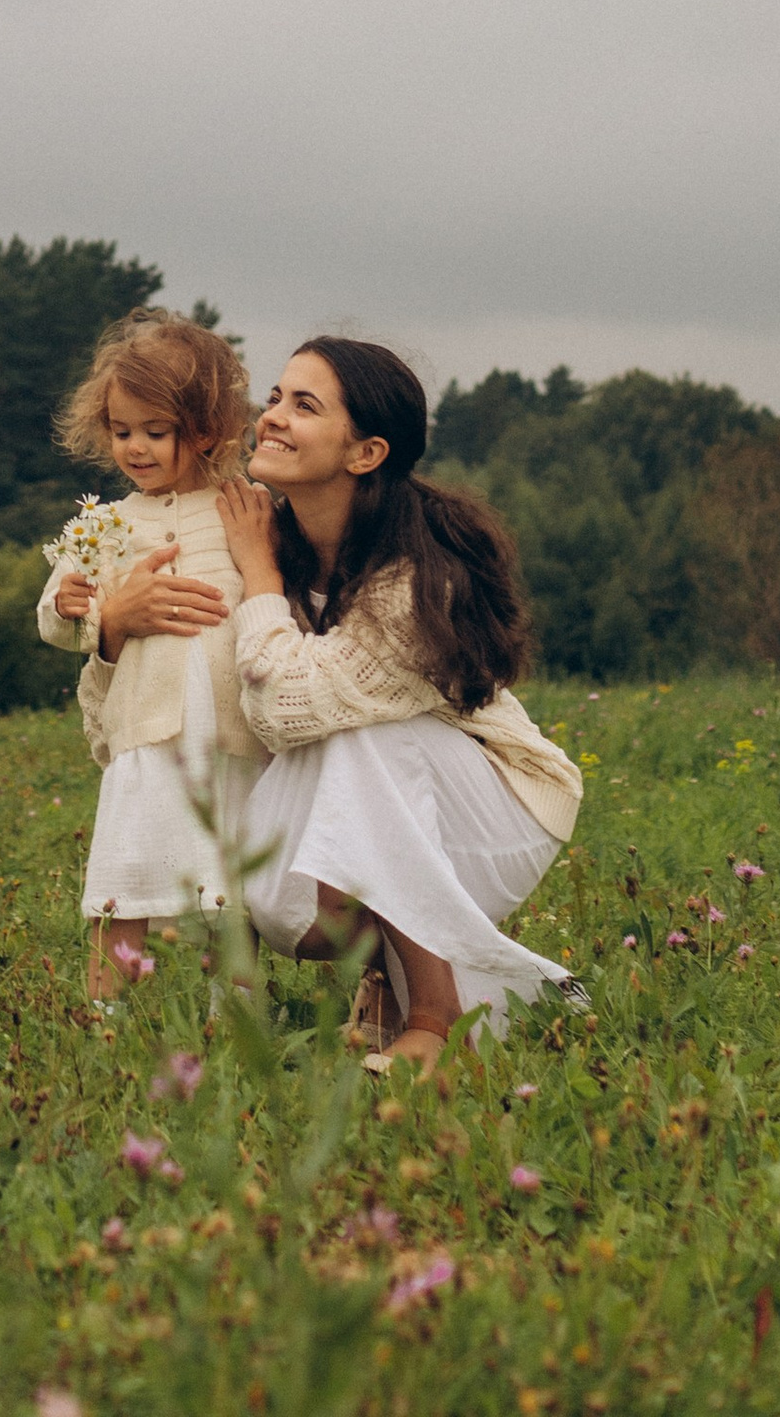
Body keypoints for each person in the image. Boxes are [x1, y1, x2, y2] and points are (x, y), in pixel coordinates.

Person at [214, 338, 584, 1071]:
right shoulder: (268, 541)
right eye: (277, 398)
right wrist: (105, 624)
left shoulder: (418, 578)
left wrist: (256, 573)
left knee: (366, 735)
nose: (274, 419)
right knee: (298, 755)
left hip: (496, 816)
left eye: (305, 406)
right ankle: (363, 981)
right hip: (358, 835)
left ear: (366, 452)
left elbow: (286, 705)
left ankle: (433, 1019)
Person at [36, 310, 260, 999]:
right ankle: (107, 1011)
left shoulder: (242, 509)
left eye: (155, 432)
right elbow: (56, 619)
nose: (135, 448)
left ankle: (236, 1012)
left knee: (229, 881)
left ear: (205, 431)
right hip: (145, 728)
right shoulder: (106, 523)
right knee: (125, 874)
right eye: (122, 431)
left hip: (228, 730)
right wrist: (85, 608)